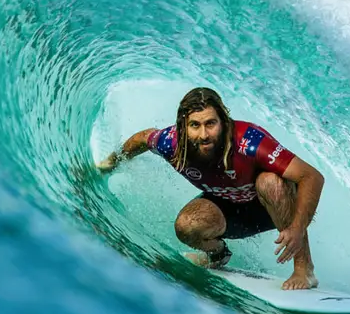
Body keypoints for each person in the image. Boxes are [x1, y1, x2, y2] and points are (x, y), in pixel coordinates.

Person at [97, 87, 324, 290]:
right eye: (195, 125)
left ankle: (305, 269)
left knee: (269, 182)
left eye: (210, 124)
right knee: (187, 226)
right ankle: (217, 255)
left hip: (277, 207)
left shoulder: (249, 142)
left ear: (223, 122)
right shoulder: (173, 144)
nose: (204, 135)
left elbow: (311, 176)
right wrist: (113, 161)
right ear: (183, 127)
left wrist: (296, 228)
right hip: (231, 210)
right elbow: (143, 138)